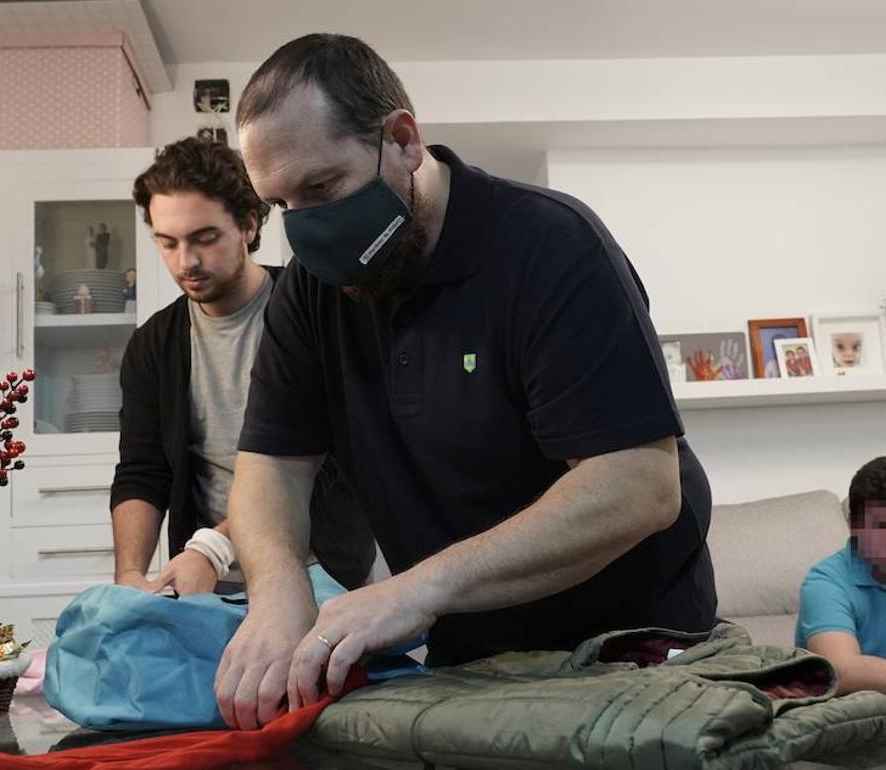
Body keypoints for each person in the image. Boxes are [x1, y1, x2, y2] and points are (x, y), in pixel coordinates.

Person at [214, 34, 717, 729]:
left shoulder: (551, 245)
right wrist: (277, 590)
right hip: (467, 661)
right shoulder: (309, 295)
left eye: (322, 188)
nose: (307, 228)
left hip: (631, 655)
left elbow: (637, 482)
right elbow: (271, 466)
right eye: (282, 205)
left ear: (403, 139)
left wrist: (417, 590)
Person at [109, 136, 375, 598]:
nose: (186, 261)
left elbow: (323, 457)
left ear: (250, 225)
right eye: (167, 243)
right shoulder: (154, 344)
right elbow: (142, 470)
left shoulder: (315, 308)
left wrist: (213, 547)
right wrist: (130, 576)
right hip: (208, 583)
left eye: (204, 239)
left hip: (321, 574)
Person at [797, 458, 886, 693]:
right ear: (853, 525)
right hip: (855, 715)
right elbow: (840, 670)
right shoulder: (825, 583)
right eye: (883, 526)